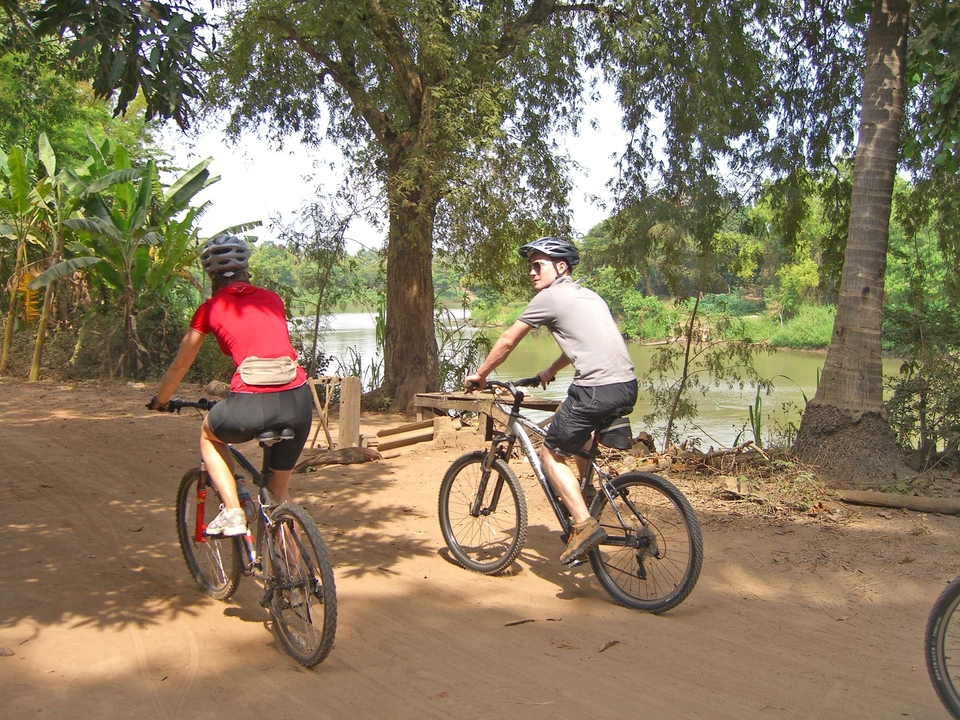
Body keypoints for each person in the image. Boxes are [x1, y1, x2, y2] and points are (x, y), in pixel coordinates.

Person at [465, 236, 637, 565]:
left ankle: (584, 526)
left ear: (560, 267)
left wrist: (482, 374)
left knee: (550, 454)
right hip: (625, 385)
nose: (531, 272)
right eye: (530, 266)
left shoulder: (550, 297)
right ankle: (586, 498)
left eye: (537, 265)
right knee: (579, 438)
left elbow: (507, 339)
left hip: (595, 388)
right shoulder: (589, 295)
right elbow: (583, 343)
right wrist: (550, 370)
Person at [149, 235, 313, 536]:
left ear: (211, 275)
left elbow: (180, 365)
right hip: (298, 402)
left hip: (250, 401)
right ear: (245, 268)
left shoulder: (209, 309)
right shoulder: (272, 299)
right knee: (279, 493)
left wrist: (161, 400)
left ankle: (234, 511)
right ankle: (304, 577)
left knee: (209, 435)